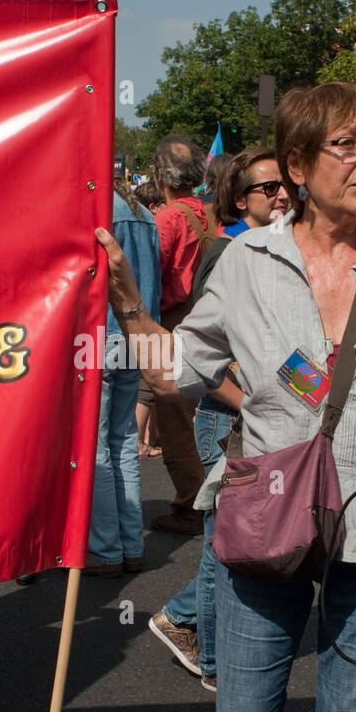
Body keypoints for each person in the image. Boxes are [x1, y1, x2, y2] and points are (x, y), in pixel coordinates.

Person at [100, 81, 356, 712]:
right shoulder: (247, 262)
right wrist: (126, 303)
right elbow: (176, 374)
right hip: (264, 525)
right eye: (347, 145)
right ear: (297, 167)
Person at [150, 149, 287, 690]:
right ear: (238, 198)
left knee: (236, 541)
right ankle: (207, 654)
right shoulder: (228, 252)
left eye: (285, 186)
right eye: (267, 188)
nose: (281, 195)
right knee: (223, 545)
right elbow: (202, 357)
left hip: (253, 414)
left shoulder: (276, 248)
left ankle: (185, 620)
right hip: (223, 419)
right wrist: (244, 400)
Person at [84, 178, 161, 577]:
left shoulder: (98, 212)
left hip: (100, 336)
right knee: (123, 442)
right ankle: (129, 545)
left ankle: (105, 548)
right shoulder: (143, 213)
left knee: (96, 446)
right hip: (136, 334)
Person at [148, 136, 216, 536]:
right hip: (212, 322)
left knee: (174, 419)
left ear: (160, 177)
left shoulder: (167, 219)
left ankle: (191, 503)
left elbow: (150, 272)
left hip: (175, 325)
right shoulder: (212, 214)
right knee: (208, 415)